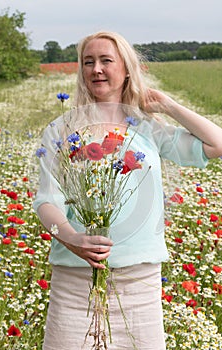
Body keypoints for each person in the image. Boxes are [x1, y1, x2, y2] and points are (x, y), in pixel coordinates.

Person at [33, 31, 222, 350]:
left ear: (127, 69)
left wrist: (168, 105)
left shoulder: (148, 127)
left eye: (106, 60)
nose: (96, 69)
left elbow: (216, 144)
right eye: (88, 62)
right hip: (75, 282)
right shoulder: (62, 130)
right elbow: (45, 201)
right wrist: (72, 237)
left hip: (139, 283)